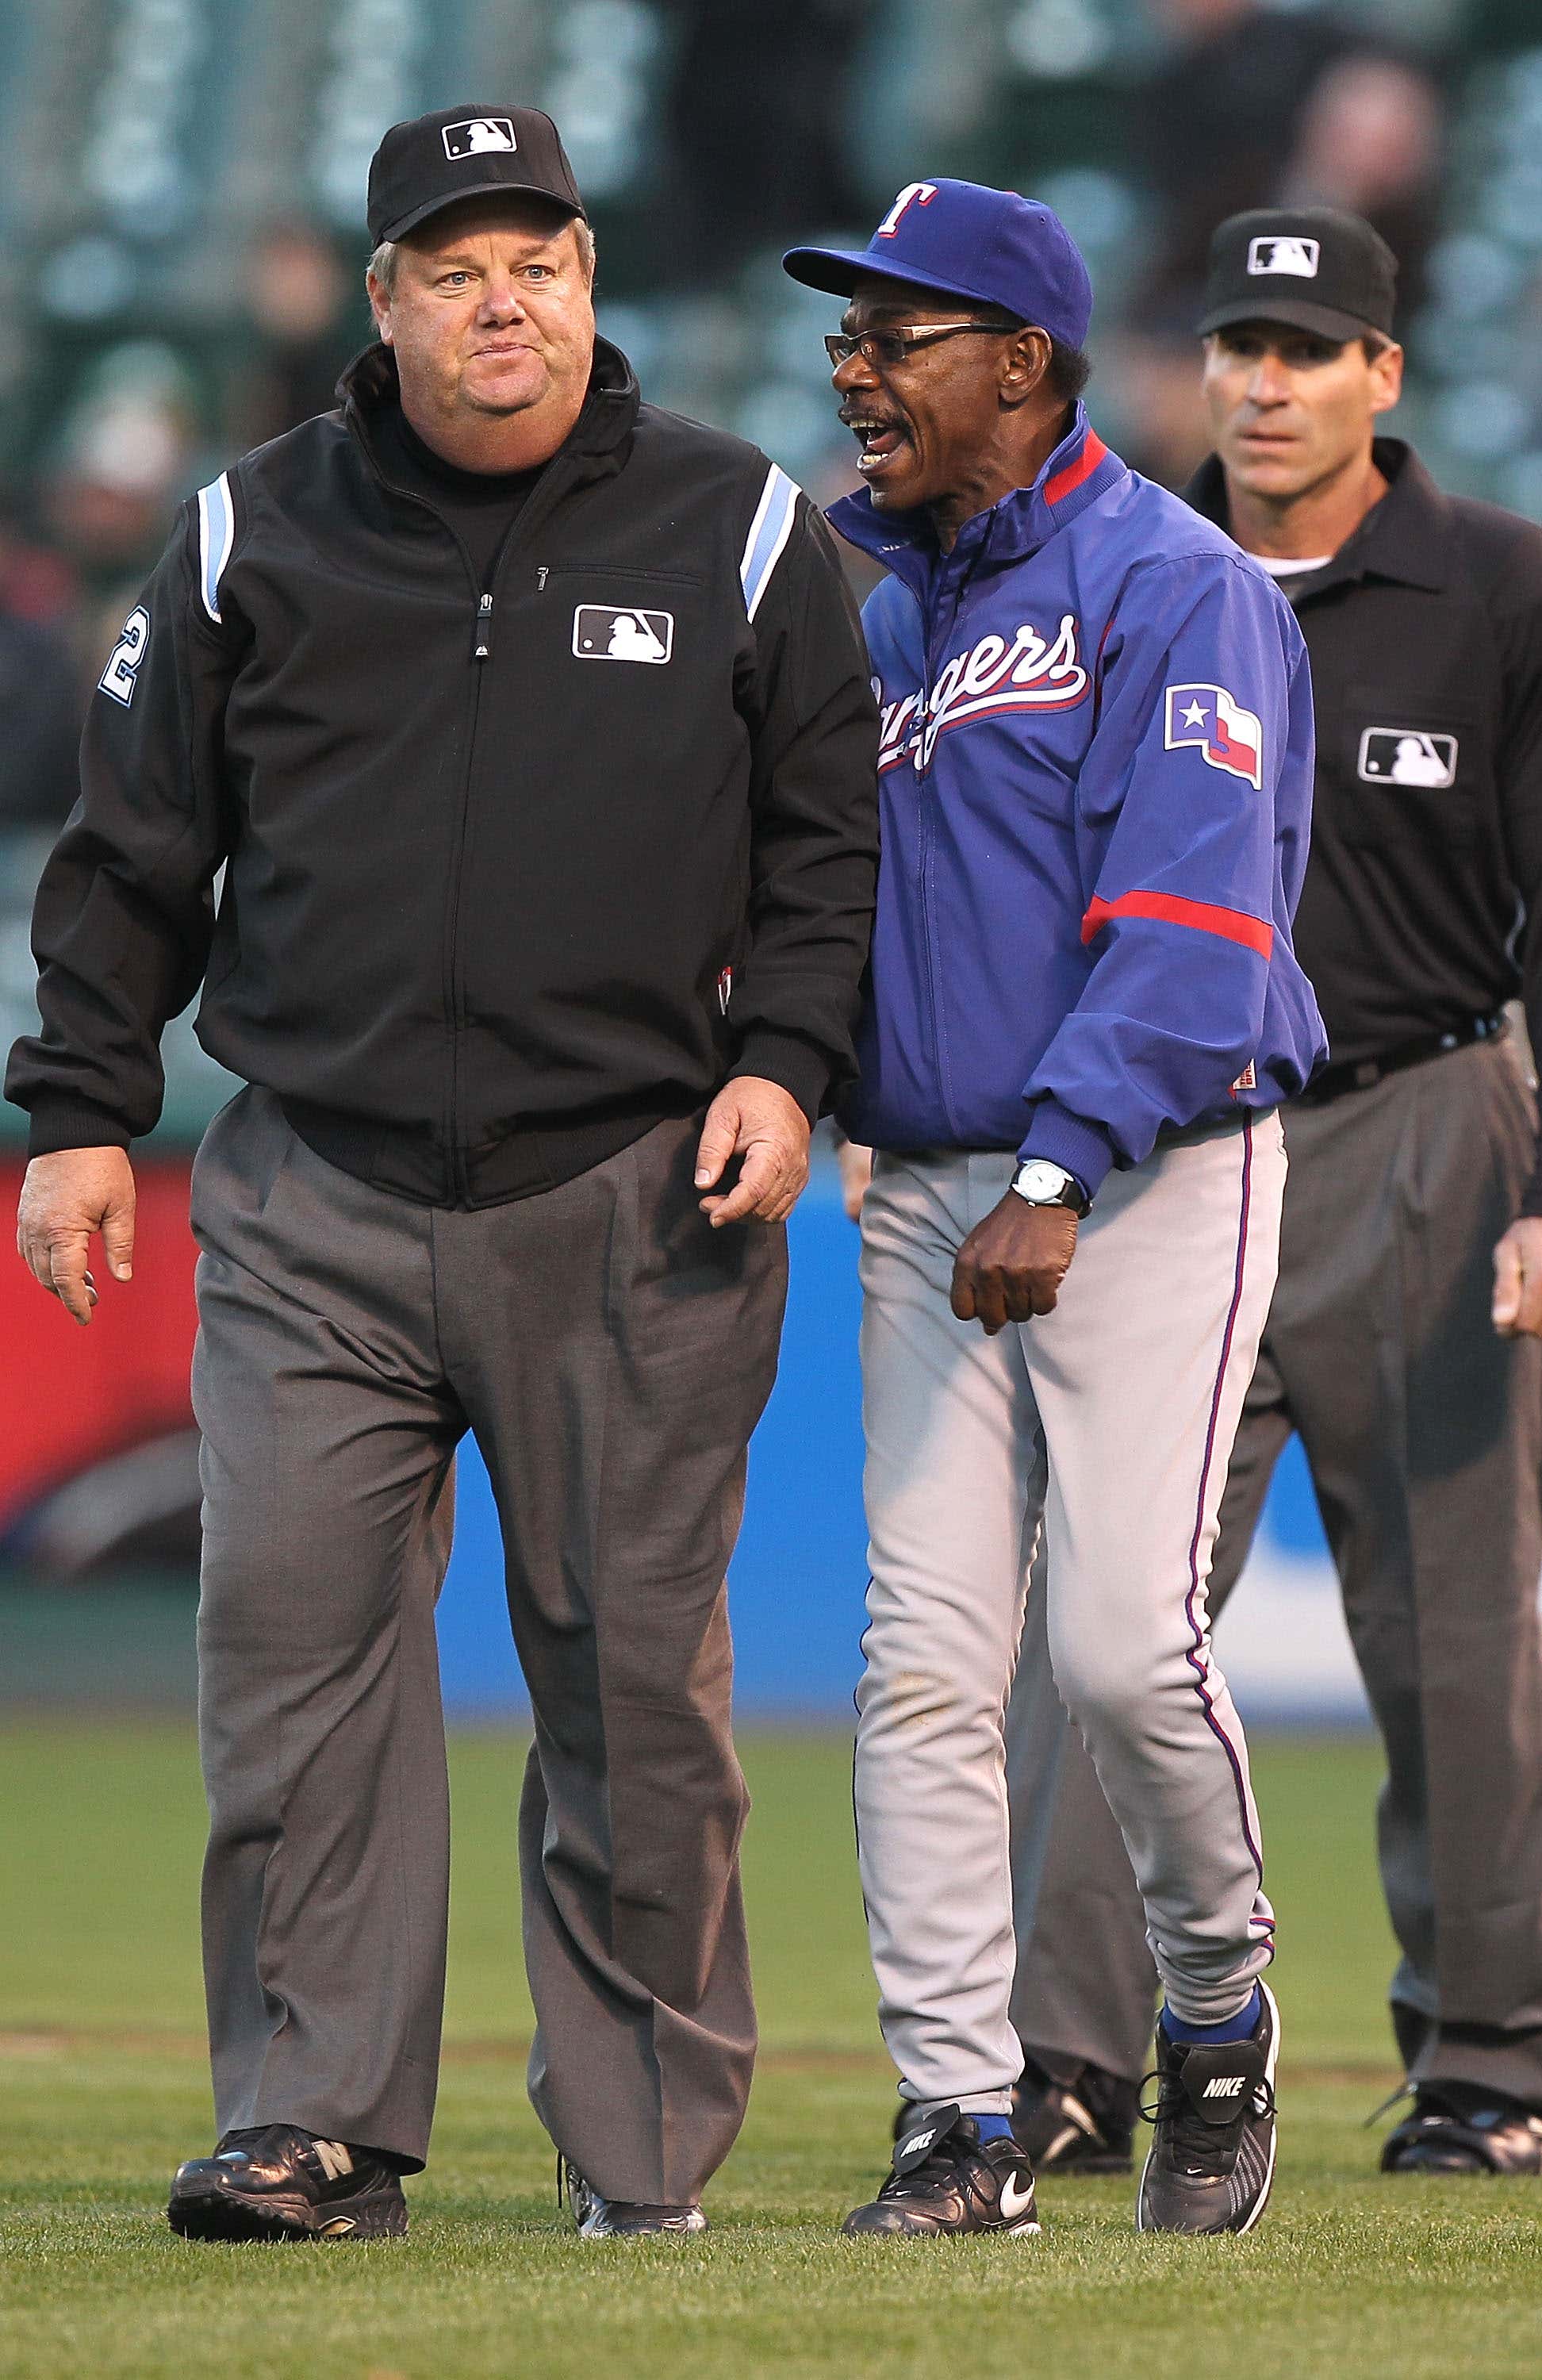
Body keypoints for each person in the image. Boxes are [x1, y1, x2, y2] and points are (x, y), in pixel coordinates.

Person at [7, 104, 879, 2244]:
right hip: (311, 1191)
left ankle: (641, 2156)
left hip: (637, 1194)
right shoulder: (245, 539)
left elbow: (831, 851)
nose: (505, 297)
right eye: (455, 264)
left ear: (589, 282)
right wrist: (85, 1112)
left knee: (629, 1697)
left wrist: (788, 1066)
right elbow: (132, 857)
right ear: (380, 303)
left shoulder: (746, 530)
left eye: (541, 257)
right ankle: (310, 2124)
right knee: (288, 1668)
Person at [1005, 208, 1542, 2182]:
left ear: (1384, 373)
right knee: (1106, 1626)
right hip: (1167, 1144)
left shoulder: (1503, 592)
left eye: (1308, 349)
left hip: (1425, 1128)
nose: (1264, 385)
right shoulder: (1102, 566)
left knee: (1453, 1628)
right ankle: (1067, 2055)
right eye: (1235, 348)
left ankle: (1489, 2059)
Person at [783, 178, 1325, 2239]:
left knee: (1113, 1649)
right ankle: (957, 2120)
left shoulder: (1175, 586)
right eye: (845, 337)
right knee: (922, 1662)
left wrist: (1051, 1161)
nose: (853, 370)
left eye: (891, 333)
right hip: (931, 1190)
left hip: (1143, 1176)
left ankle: (1211, 2005)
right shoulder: (880, 606)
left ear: (1017, 360)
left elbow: (1187, 933)